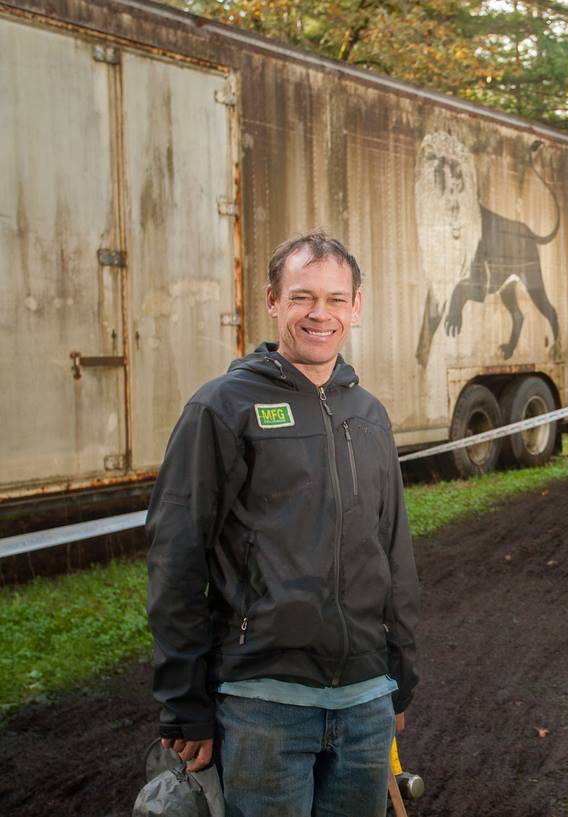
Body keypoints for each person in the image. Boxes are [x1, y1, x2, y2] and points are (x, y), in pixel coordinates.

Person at [146, 232, 419, 816]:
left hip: (367, 700)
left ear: (357, 306)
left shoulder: (368, 415)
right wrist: (184, 702)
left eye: (336, 299)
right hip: (262, 703)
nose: (320, 314)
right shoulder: (222, 408)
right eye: (302, 297)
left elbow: (393, 550)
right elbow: (176, 558)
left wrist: (400, 674)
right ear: (272, 302)